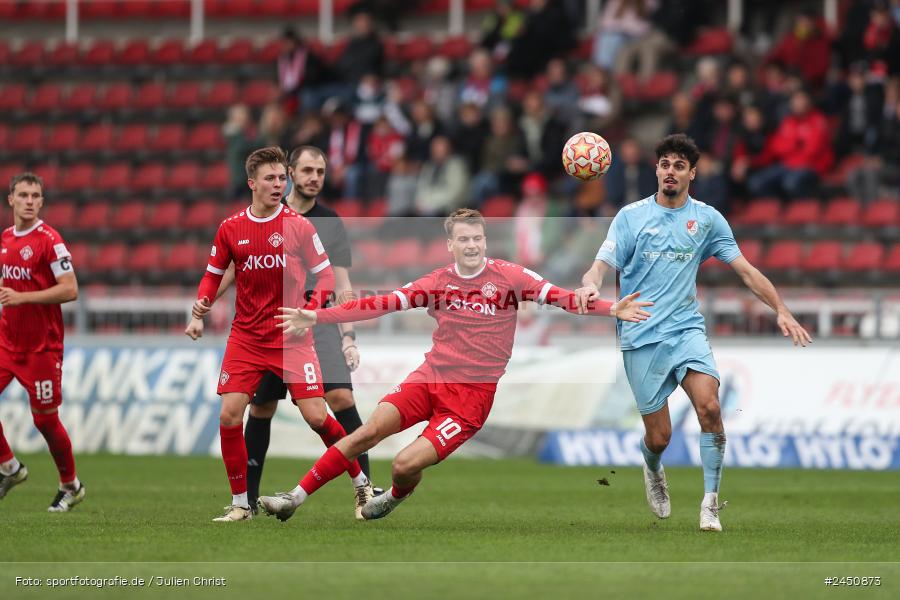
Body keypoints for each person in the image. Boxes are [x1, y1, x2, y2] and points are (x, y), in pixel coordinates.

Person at [257, 208, 653, 522]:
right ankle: (294, 497)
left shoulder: (510, 277)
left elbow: (562, 298)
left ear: (485, 240)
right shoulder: (437, 281)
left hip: (470, 400)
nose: (472, 245)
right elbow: (380, 304)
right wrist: (318, 317)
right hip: (429, 378)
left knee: (403, 465)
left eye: (477, 238)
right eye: (463, 239)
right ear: (450, 244)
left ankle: (394, 496)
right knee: (367, 432)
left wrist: (609, 309)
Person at [574, 134, 812, 532]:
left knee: (710, 408)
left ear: (692, 174)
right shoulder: (631, 217)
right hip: (640, 333)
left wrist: (781, 309)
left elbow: (747, 271)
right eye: (665, 164)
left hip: (686, 329)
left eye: (679, 166)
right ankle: (652, 466)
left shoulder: (707, 219)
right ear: (656, 170)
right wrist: (590, 284)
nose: (671, 171)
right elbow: (600, 264)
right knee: (661, 436)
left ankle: (710, 504)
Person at [186, 145, 377, 511]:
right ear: (252, 183)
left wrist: (309, 312)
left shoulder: (302, 226)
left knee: (319, 417)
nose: (278, 185)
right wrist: (200, 312)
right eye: (270, 179)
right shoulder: (231, 228)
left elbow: (326, 277)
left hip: (294, 338)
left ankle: (361, 482)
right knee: (231, 414)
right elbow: (214, 276)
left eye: (280, 178)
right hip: (246, 337)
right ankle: (241, 504)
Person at [0, 172, 84, 512]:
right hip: (7, 343)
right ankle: (10, 468)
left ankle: (71, 486)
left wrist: (23, 299)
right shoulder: (5, 238)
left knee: (45, 421)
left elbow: (70, 288)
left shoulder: (50, 240)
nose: (30, 201)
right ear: (11, 200)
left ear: (42, 202)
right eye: (23, 195)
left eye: (36, 196)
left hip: (42, 348)